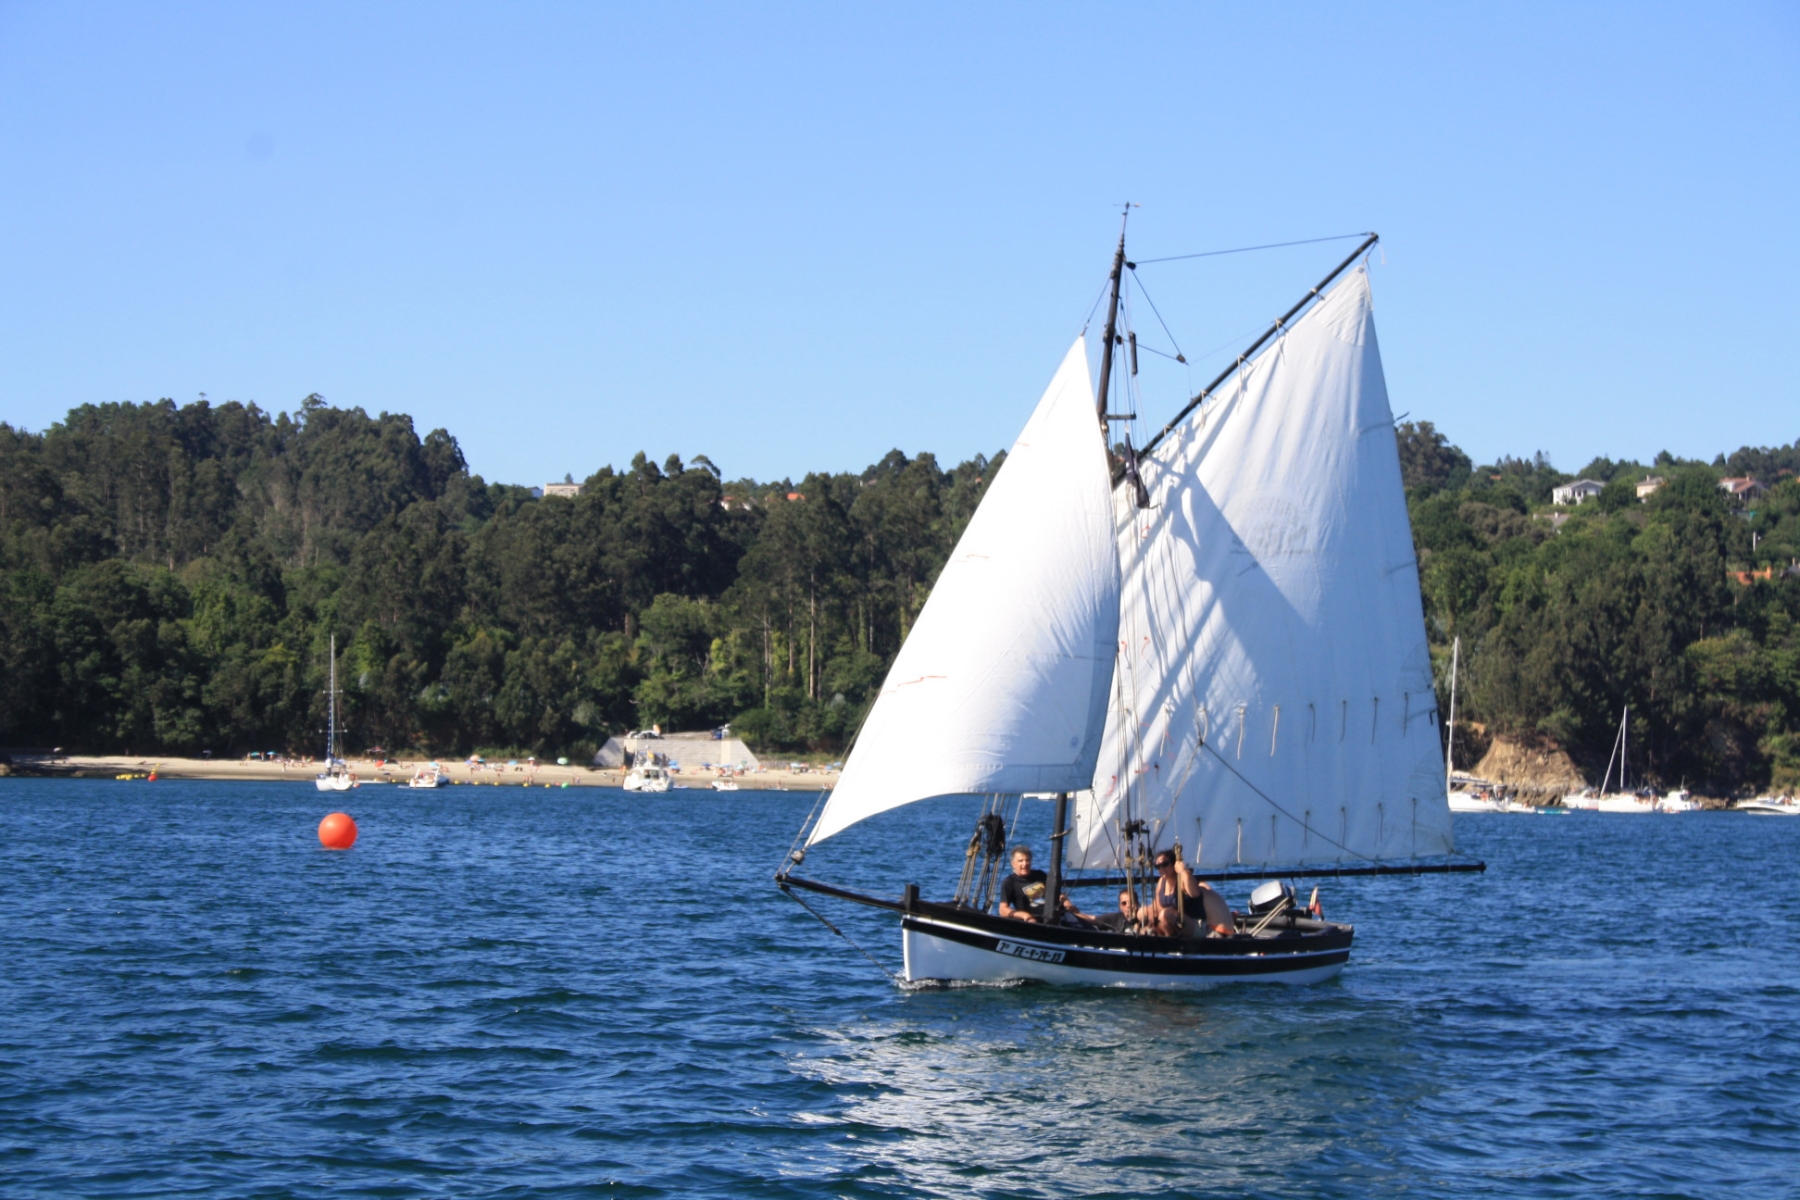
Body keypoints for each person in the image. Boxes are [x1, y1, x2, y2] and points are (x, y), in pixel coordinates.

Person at [1139, 849, 1234, 937]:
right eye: (1158, 866)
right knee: (1143, 912)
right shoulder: (1161, 882)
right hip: (1176, 922)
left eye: (1165, 864)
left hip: (1200, 925)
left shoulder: (1183, 880)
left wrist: (1183, 870)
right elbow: (1158, 906)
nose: (1161, 869)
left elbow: (1194, 893)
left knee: (1166, 915)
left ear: (1174, 865)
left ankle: (1170, 942)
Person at [997, 846, 1086, 924]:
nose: (1025, 864)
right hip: (1036, 920)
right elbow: (1003, 910)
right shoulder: (1009, 882)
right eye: (1020, 861)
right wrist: (1024, 915)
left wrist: (1066, 902)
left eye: (1027, 860)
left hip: (1059, 914)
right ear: (1013, 864)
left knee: (1085, 922)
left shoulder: (1040, 875)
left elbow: (1056, 893)